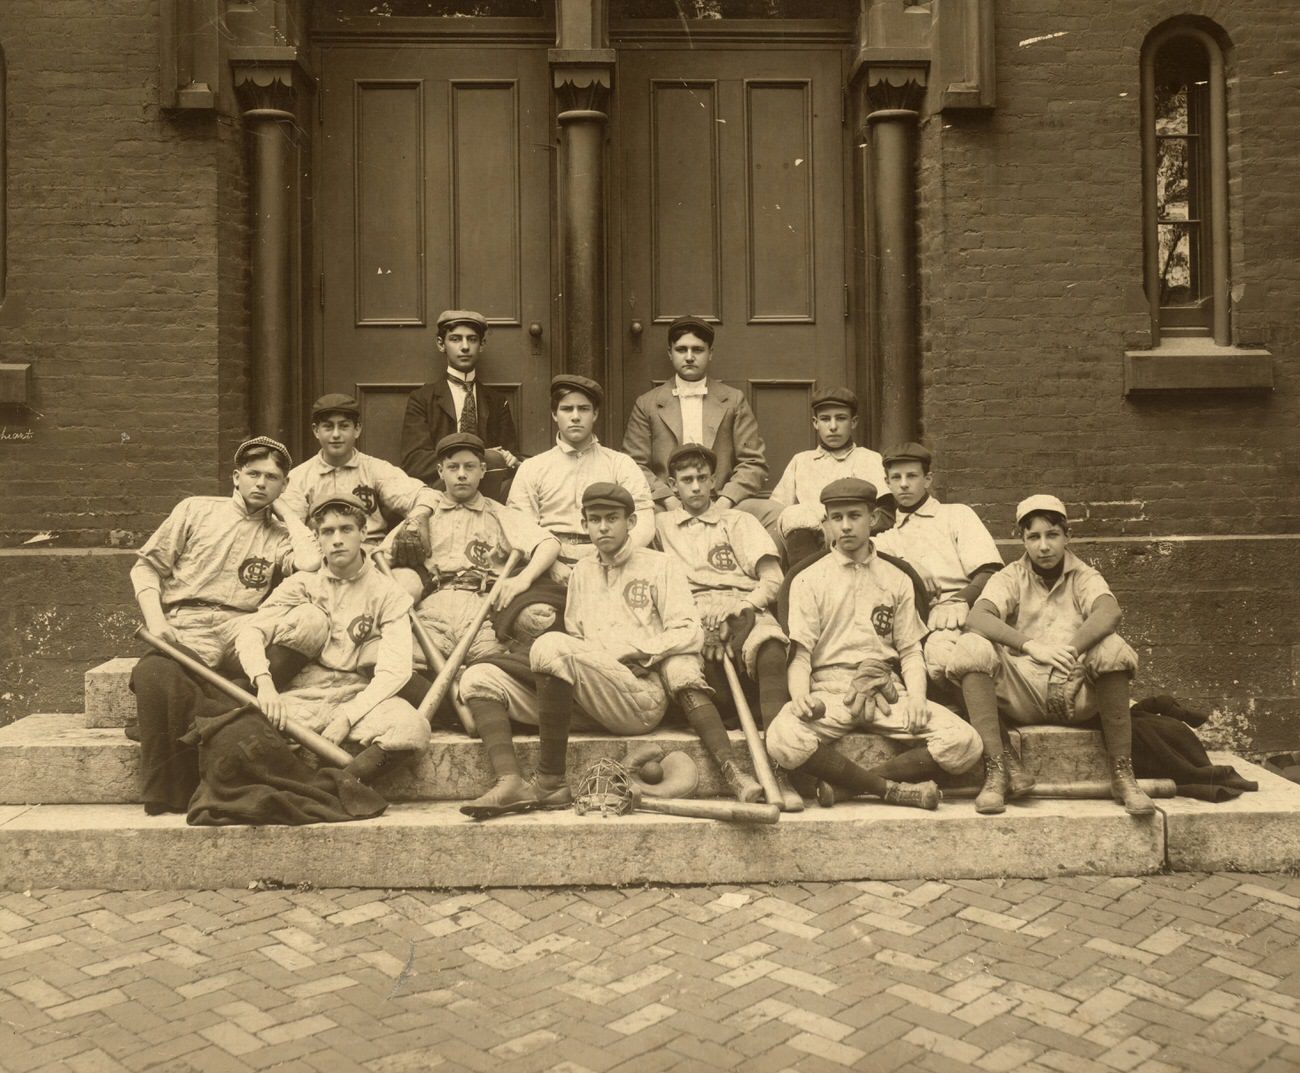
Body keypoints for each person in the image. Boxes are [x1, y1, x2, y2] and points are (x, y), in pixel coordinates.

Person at [458, 482, 761, 818]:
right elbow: (575, 633)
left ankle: (550, 780)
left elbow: (689, 633)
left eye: (612, 518)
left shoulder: (659, 565)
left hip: (638, 696)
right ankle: (510, 781)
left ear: (631, 522)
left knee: (550, 645)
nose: (603, 527)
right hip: (589, 693)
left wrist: (633, 649)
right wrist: (592, 661)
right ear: (584, 524)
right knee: (478, 677)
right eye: (594, 519)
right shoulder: (582, 571)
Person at [128, 437, 325, 812]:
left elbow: (311, 563)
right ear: (236, 477)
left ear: (284, 486)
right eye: (253, 474)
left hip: (241, 628)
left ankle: (208, 700)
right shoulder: (196, 510)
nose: (261, 484)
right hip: (188, 623)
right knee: (155, 670)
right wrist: (157, 622)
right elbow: (146, 567)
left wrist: (288, 513)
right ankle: (225, 704)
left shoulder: (281, 535)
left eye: (272, 478)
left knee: (313, 622)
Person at [764, 478, 983, 809]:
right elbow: (800, 656)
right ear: (826, 523)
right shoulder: (809, 578)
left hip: (887, 690)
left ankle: (850, 788)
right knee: (783, 737)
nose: (846, 526)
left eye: (855, 515)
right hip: (832, 689)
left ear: (873, 517)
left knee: (965, 742)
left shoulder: (896, 577)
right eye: (837, 518)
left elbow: (910, 651)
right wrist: (800, 697)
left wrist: (918, 700)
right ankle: (889, 790)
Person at [948, 495, 1155, 816]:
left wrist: (1071, 652)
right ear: (1023, 540)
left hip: (1075, 691)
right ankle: (997, 770)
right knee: (971, 646)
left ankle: (1123, 774)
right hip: (1023, 693)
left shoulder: (1084, 575)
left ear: (1067, 536)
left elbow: (1109, 611)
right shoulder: (1009, 576)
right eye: (1034, 537)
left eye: (1052, 535)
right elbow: (979, 616)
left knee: (1112, 646)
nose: (1044, 546)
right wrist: (1032, 647)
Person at [235, 494, 431, 785]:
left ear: (363, 533)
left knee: (413, 727)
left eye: (346, 529)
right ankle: (319, 785)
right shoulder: (302, 583)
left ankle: (333, 786)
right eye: (328, 532)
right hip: (305, 691)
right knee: (242, 734)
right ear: (317, 538)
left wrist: (348, 717)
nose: (337, 539)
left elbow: (395, 671)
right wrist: (264, 682)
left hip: (359, 694)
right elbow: (251, 631)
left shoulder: (388, 592)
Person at [654, 443, 799, 810]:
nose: (697, 487)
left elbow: (772, 580)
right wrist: (695, 619)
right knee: (680, 670)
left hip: (741, 606)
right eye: (687, 480)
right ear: (673, 485)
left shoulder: (739, 522)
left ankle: (782, 769)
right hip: (687, 615)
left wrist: (740, 607)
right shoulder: (660, 527)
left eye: (703, 478)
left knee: (770, 645)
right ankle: (732, 770)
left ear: (715, 480)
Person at [384, 432, 560, 678]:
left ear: (483, 470)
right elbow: (379, 558)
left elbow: (548, 543)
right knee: (405, 669)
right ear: (440, 471)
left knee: (494, 673)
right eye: (453, 467)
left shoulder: (499, 513)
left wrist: (523, 579)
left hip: (483, 609)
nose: (462, 474)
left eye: (470, 467)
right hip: (433, 607)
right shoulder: (425, 516)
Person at [622, 315, 781, 543]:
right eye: (681, 349)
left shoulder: (733, 400)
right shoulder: (648, 403)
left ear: (710, 353)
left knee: (775, 515)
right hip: (668, 502)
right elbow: (634, 464)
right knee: (637, 520)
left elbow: (753, 462)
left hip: (720, 498)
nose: (689, 357)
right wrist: (668, 500)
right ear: (670, 353)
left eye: (697, 350)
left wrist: (726, 501)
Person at [279, 392, 437, 596]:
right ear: (316, 431)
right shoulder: (300, 477)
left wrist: (416, 519)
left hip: (374, 559)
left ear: (357, 429)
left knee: (408, 586)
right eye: (328, 427)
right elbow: (290, 530)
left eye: (344, 426)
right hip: (326, 561)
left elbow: (425, 495)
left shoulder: (375, 469)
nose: (336, 434)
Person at [871, 442, 1004, 683]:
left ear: (928, 479)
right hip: (913, 620)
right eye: (896, 477)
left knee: (946, 656)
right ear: (887, 483)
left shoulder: (956, 515)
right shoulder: (886, 538)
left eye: (912, 476)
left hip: (964, 611)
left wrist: (960, 600)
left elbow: (990, 571)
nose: (903, 484)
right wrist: (910, 566)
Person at [508, 373, 654, 582]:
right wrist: (551, 565)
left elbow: (644, 521)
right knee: (534, 614)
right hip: (550, 565)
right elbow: (520, 526)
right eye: (567, 409)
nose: (575, 416)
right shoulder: (533, 468)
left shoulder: (621, 464)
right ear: (554, 414)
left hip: (611, 562)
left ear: (595, 414)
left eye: (583, 409)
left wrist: (612, 558)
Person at [400, 309, 520, 501]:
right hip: (441, 493)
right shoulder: (422, 399)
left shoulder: (497, 401)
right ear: (441, 344)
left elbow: (510, 455)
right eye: (455, 339)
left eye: (472, 339)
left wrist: (512, 460)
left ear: (482, 344)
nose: (465, 347)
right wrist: (483, 458)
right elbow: (414, 462)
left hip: (489, 494)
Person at [769, 386, 889, 566]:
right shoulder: (801, 461)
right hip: (809, 550)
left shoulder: (869, 459)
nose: (833, 427)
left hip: (857, 545)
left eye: (841, 418)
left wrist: (836, 529)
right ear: (815, 423)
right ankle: (803, 582)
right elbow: (778, 514)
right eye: (825, 419)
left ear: (854, 422)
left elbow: (885, 516)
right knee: (794, 513)